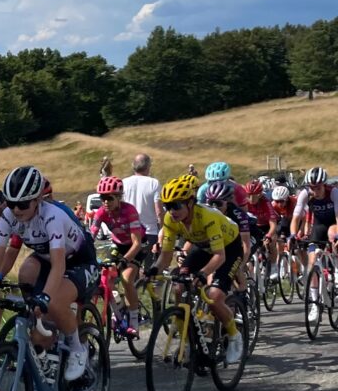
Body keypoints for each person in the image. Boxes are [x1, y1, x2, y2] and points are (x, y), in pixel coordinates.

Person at [0, 166, 97, 382]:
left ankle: (77, 347)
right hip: (46, 259)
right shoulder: (8, 215)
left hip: (80, 261)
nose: (16, 210)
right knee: (26, 272)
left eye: (22, 204)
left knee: (53, 302)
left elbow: (59, 265)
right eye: (11, 203)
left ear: (37, 200)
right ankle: (42, 327)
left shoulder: (52, 216)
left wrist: (45, 298)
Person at [146, 177, 244, 364]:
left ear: (190, 203)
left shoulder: (207, 217)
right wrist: (154, 269)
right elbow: (166, 256)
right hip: (202, 247)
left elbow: (220, 256)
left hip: (229, 248)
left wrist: (203, 273)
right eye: (167, 206)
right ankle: (188, 342)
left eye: (176, 205)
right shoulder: (170, 219)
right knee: (178, 288)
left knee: (214, 296)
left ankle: (234, 335)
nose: (171, 211)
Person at [90, 176, 145, 338]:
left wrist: (125, 260)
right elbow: (91, 235)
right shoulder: (101, 212)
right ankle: (119, 307)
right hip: (118, 245)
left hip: (136, 245)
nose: (105, 202)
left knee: (127, 278)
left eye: (109, 198)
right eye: (102, 198)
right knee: (105, 278)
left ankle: (134, 319)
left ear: (119, 197)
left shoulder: (129, 211)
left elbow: (136, 244)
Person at [291, 167, 338, 321]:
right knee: (311, 263)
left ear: (324, 184)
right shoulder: (305, 194)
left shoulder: (333, 193)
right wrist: (292, 235)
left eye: (318, 187)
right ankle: (314, 304)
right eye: (312, 187)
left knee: (333, 236)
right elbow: (296, 218)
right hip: (317, 226)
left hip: (333, 224)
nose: (315, 190)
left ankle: (336, 271)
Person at [121, 153, 162, 248]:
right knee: (151, 262)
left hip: (129, 232)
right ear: (148, 166)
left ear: (133, 166)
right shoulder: (154, 183)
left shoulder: (124, 182)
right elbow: (159, 211)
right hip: (150, 231)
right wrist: (162, 229)